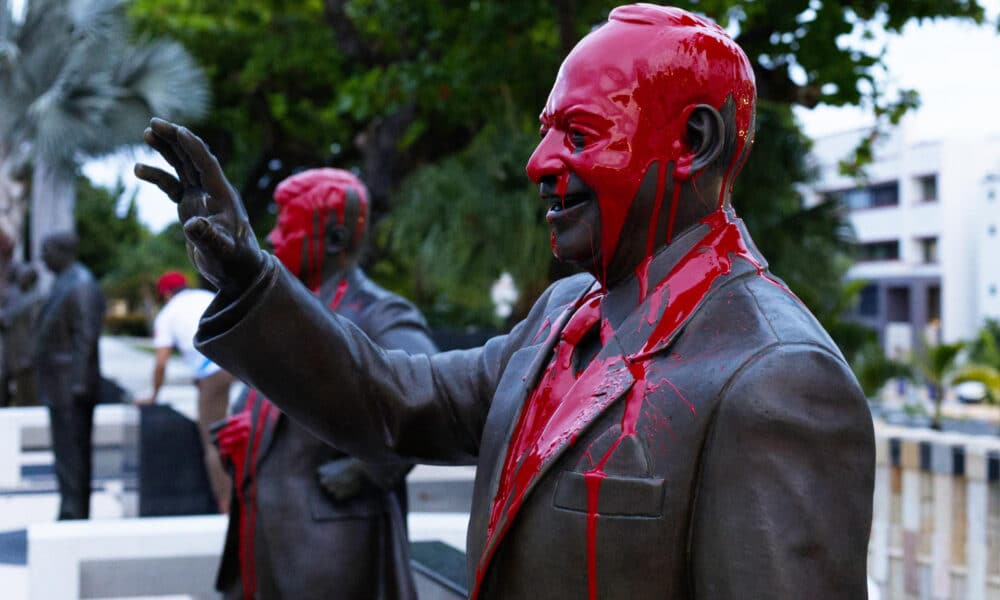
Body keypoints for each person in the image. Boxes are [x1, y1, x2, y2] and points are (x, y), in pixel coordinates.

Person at [136, 4, 875, 598]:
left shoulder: (777, 379)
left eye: (579, 134)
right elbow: (391, 399)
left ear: (693, 141)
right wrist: (250, 279)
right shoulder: (563, 313)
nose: (539, 163)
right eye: (547, 132)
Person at [213, 168, 436, 600]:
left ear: (334, 239)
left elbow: (424, 403)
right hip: (262, 534)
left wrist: (365, 471)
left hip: (331, 545)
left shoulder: (381, 314)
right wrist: (246, 433)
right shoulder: (282, 310)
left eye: (285, 224)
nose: (273, 237)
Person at [141, 270, 234, 513]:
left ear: (166, 294)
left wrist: (154, 395)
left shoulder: (168, 314)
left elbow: (161, 363)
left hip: (214, 373)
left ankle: (227, 505)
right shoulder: (205, 296)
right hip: (238, 362)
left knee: (213, 440)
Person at [35, 232, 106, 520]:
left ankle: (74, 511)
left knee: (73, 453)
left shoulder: (81, 284)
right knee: (66, 452)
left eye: (46, 251)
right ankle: (70, 506)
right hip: (60, 385)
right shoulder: (65, 281)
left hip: (70, 387)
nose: (42, 258)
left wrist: (78, 384)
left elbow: (85, 336)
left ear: (61, 251)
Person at [1, 263, 46, 406]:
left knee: (27, 393)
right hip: (13, 350)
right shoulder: (14, 295)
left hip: (27, 353)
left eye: (23, 276)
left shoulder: (36, 300)